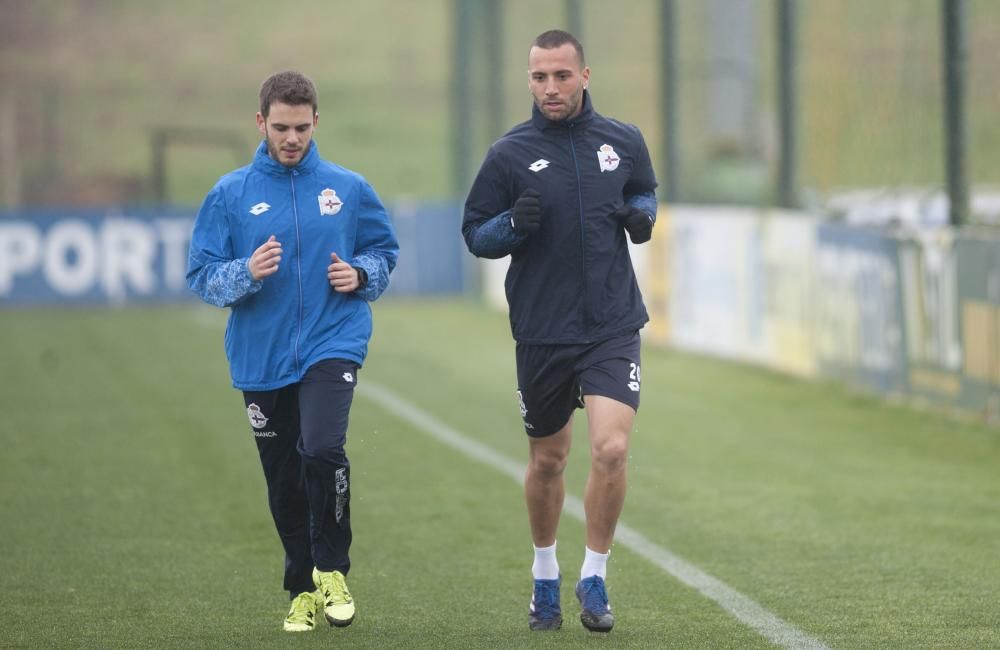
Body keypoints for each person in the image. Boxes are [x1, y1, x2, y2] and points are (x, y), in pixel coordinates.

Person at [187, 70, 399, 633]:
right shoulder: (230, 194)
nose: (291, 138)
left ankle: (332, 567)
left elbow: (383, 251)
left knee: (323, 447)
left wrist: (359, 273)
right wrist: (245, 273)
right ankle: (301, 587)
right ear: (260, 123)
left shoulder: (347, 188)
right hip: (261, 355)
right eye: (280, 127)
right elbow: (201, 276)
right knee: (283, 479)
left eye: (301, 128)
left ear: (315, 123)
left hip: (334, 341)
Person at [462, 30, 657, 633]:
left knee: (611, 448)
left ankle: (593, 575)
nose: (551, 87)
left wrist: (642, 217)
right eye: (540, 77)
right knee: (549, 461)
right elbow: (476, 234)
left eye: (562, 76)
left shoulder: (622, 141)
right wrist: (511, 227)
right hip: (543, 330)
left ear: (585, 76)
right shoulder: (509, 154)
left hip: (611, 323)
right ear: (529, 80)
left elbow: (644, 192)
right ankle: (544, 574)